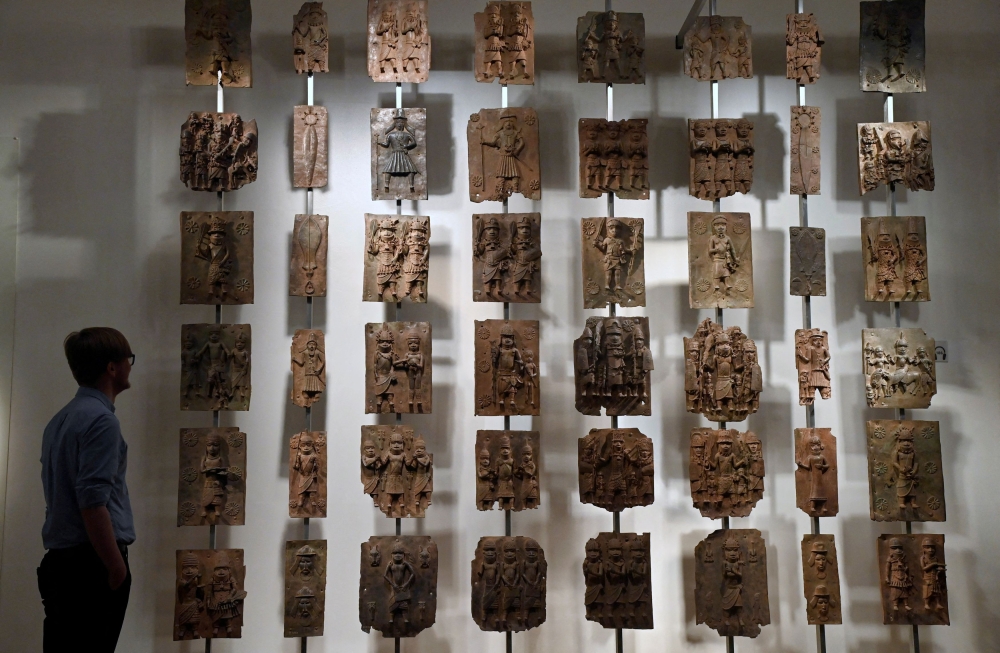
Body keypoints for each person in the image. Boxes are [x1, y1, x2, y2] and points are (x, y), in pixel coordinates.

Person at [38, 327, 135, 652]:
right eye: (128, 359)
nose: (130, 366)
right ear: (112, 367)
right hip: (90, 567)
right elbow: (93, 502)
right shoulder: (101, 421)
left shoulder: (61, 419)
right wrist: (116, 567)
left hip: (61, 564)